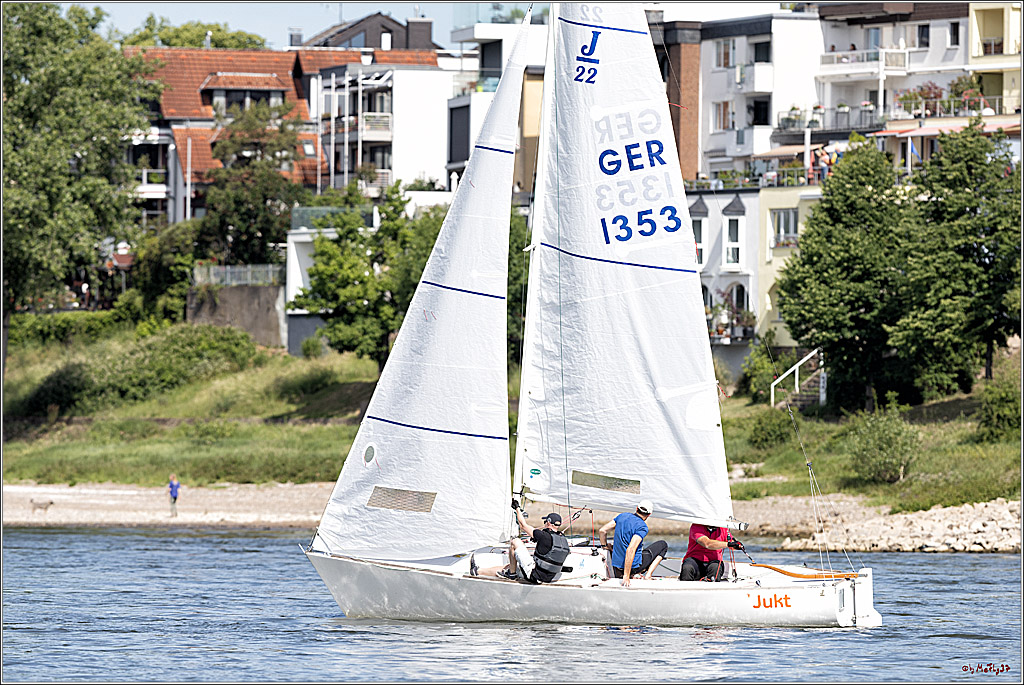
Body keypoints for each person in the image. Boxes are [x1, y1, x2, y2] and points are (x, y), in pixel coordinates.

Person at [472, 500, 570, 584]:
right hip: (549, 577)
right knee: (509, 567)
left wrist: (517, 508)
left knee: (515, 542)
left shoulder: (543, 536)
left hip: (534, 576)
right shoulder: (563, 540)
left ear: (548, 522)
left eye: (545, 522)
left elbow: (523, 525)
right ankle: (479, 571)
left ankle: (511, 574)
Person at [598, 500, 668, 587]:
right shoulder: (642, 527)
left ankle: (633, 574)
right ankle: (648, 575)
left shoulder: (622, 516)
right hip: (632, 568)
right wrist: (626, 576)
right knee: (663, 545)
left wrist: (604, 545)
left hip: (616, 567)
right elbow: (631, 549)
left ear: (637, 508)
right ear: (649, 514)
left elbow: (602, 530)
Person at [679, 523, 744, 581]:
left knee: (715, 568)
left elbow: (731, 543)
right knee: (687, 567)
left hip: (713, 561)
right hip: (695, 561)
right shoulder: (696, 526)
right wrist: (728, 544)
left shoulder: (723, 528)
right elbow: (707, 543)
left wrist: (737, 545)